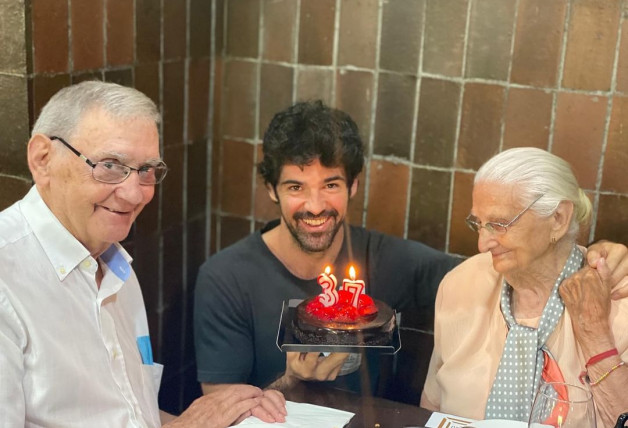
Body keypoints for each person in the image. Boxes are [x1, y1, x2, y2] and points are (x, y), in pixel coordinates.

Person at [193, 100, 628, 398]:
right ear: (271, 189)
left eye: (331, 185)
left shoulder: (391, 261)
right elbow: (222, 413)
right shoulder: (226, 277)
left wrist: (588, 249)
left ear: (354, 186)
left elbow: (504, 259)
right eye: (294, 187)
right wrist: (291, 380)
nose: (315, 206)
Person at [0, 81, 285, 427]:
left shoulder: (116, 266)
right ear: (42, 159)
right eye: (110, 165)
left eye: (147, 171)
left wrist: (227, 416)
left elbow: (129, 417)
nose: (135, 195)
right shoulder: (8, 278)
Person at [421, 148, 628, 427]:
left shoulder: (618, 300)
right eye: (479, 224)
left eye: (499, 224)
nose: (483, 244)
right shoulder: (462, 285)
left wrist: (596, 337)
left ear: (558, 219)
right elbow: (432, 410)